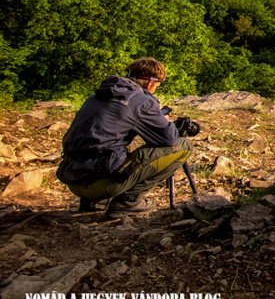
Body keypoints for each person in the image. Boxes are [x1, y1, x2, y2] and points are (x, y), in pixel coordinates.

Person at [56, 57, 194, 217]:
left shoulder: (97, 96)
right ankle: (129, 202)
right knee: (183, 145)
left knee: (106, 145)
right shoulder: (142, 101)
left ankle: (94, 202)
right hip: (103, 184)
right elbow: (169, 139)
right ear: (150, 84)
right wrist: (164, 120)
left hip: (73, 179)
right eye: (157, 85)